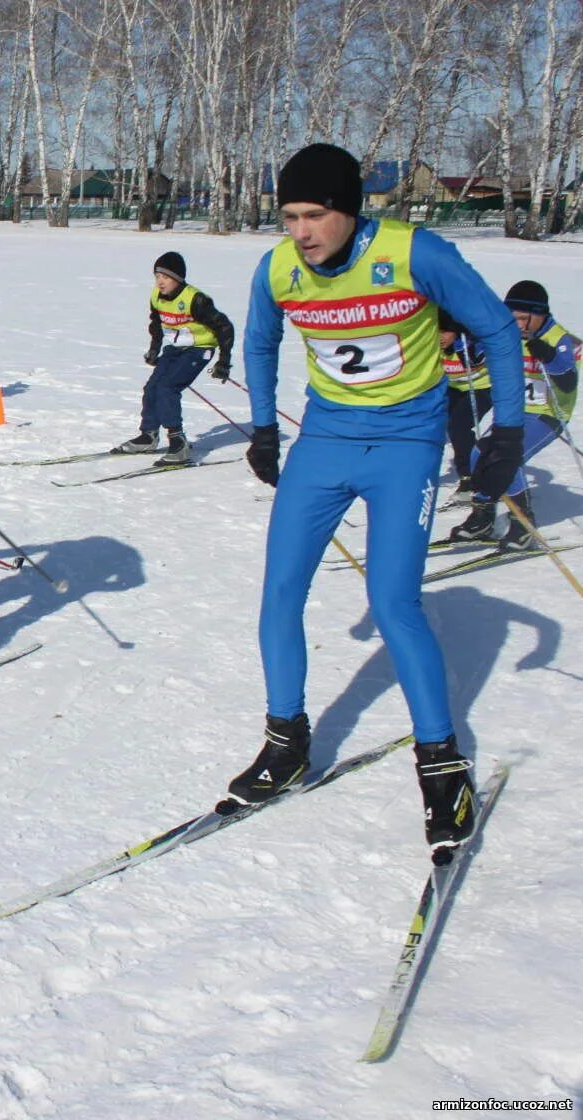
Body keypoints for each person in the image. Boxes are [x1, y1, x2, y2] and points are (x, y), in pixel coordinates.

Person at [226, 143, 526, 862]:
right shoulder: (278, 268)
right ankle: (286, 744)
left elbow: (494, 326)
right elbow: (262, 342)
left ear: (348, 209)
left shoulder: (414, 252)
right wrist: (266, 425)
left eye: (315, 214)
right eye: (290, 215)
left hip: (406, 448)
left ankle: (442, 766)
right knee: (278, 596)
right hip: (324, 444)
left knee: (394, 604)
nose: (301, 231)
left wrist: (507, 429)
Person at [447, 280, 578, 550]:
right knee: (477, 454)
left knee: (509, 458)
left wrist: (547, 355)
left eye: (522, 318)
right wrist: (464, 344)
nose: (516, 324)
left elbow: (567, 382)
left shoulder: (559, 338)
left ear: (539, 314)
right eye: (512, 317)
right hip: (514, 412)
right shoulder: (508, 334)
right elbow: (475, 358)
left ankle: (523, 526)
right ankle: (483, 517)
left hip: (547, 414)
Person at [111, 252, 236, 464]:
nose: (160, 281)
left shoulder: (195, 299)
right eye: (157, 276)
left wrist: (223, 361)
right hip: (175, 349)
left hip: (199, 349)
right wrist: (154, 349)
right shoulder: (156, 297)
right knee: (152, 388)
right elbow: (156, 325)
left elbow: (225, 327)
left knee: (167, 388)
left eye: (166, 277)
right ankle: (148, 435)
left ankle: (178, 443)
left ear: (178, 279)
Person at [438, 309, 492, 501]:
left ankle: (470, 477)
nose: (440, 337)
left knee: (459, 425)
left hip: (481, 387)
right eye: (437, 330)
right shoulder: (433, 344)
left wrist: (462, 346)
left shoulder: (472, 341)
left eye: (445, 332)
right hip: (454, 387)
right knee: (434, 422)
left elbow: (476, 363)